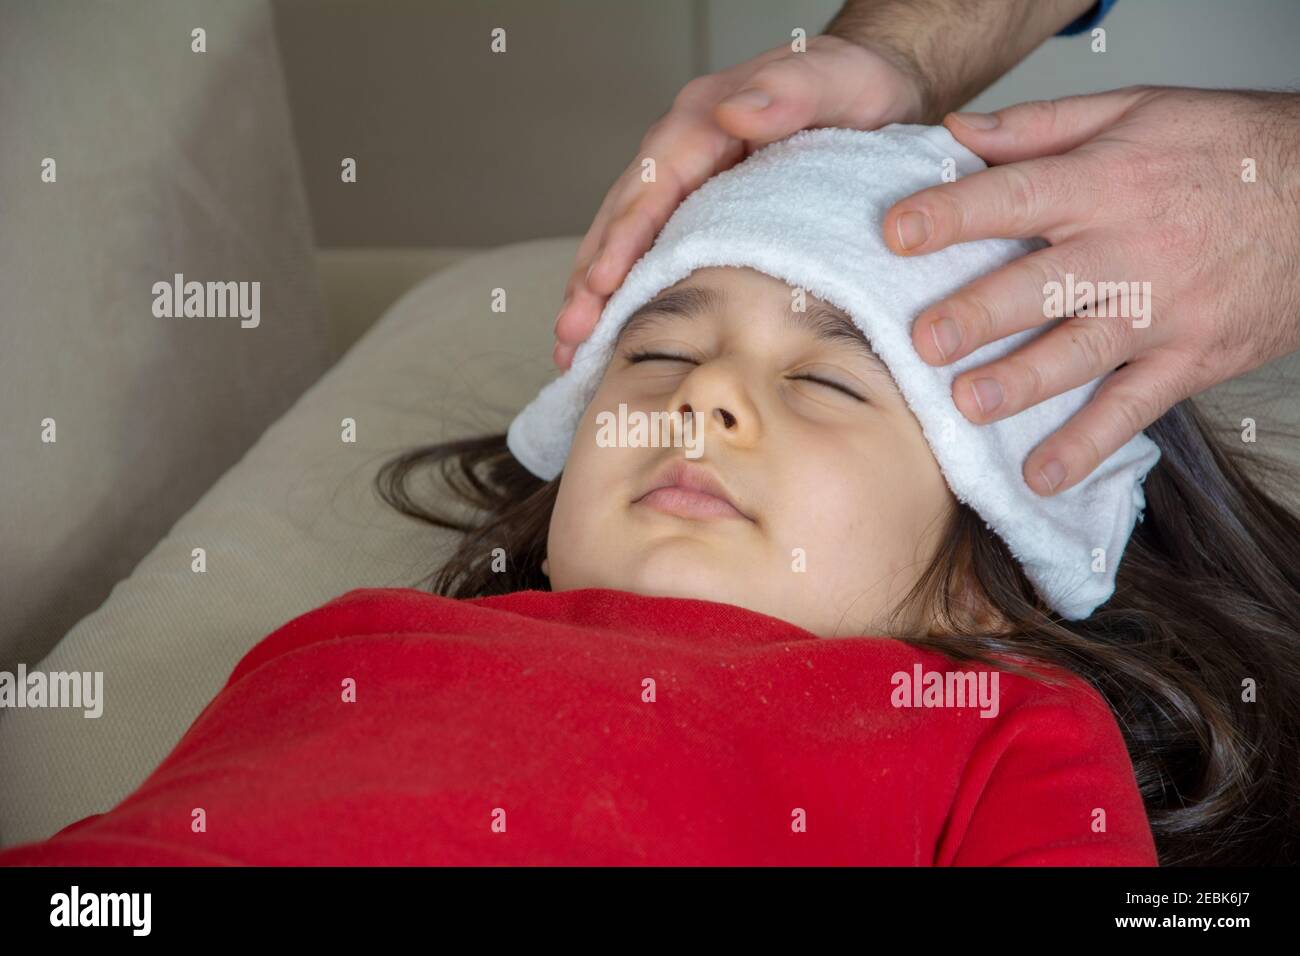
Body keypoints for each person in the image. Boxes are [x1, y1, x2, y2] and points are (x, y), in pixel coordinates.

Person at [552, 0, 1300, 498]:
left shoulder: (1022, 734)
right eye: (659, 355)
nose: (703, 393)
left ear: (982, 586)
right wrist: (894, 49)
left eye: (829, 383)